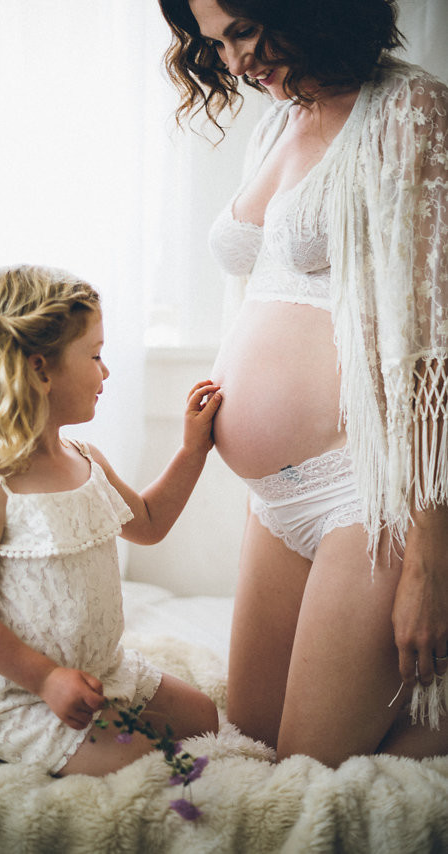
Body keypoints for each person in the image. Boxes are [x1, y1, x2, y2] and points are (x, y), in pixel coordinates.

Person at [157, 0, 448, 766]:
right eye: (215, 44)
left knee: (308, 769)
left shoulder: (408, 110)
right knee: (248, 742)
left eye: (246, 30)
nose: (236, 62)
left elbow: (432, 346)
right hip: (276, 500)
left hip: (369, 491)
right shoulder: (276, 123)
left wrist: (429, 558)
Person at [0, 264, 220, 777]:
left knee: (203, 717)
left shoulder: (85, 459)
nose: (105, 372)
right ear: (40, 371)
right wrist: (44, 679)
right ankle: (31, 731)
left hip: (102, 670)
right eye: (95, 355)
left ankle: (102, 712)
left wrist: (193, 449)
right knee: (142, 759)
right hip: (21, 691)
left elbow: (148, 522)